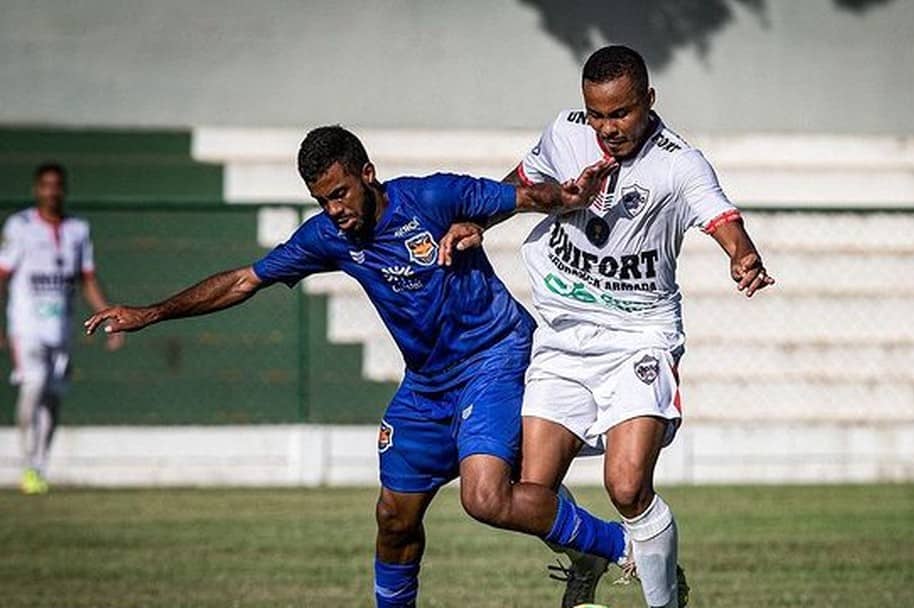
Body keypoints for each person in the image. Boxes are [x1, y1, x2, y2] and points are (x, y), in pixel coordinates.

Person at [84, 126, 633, 608]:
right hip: (426, 386)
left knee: (484, 497)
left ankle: (627, 547)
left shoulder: (432, 197)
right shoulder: (329, 237)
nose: (335, 209)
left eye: (341, 193)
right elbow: (245, 280)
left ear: (368, 174)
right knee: (394, 519)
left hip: (495, 356)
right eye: (323, 200)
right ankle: (576, 541)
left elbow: (521, 196)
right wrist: (151, 313)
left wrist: (566, 194)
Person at [440, 45, 775, 608]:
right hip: (564, 338)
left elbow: (720, 215)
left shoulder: (678, 162)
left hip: (639, 338)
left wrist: (742, 254)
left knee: (626, 485)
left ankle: (665, 600)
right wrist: (478, 220)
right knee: (530, 493)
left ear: (648, 100)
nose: (607, 128)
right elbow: (520, 182)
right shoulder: (564, 135)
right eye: (596, 114)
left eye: (619, 113)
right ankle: (591, 554)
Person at [1, 162, 124, 495]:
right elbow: (3, 274)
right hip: (26, 326)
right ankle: (28, 463)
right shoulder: (20, 226)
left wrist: (109, 318)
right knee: (33, 385)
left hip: (62, 327)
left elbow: (87, 279)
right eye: (45, 185)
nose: (51, 192)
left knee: (53, 401)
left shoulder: (77, 230)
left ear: (63, 190)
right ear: (36, 189)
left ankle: (40, 466)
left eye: (57, 185)